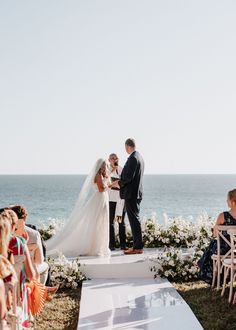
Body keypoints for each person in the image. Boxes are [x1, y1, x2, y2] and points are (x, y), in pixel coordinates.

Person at [46, 159, 117, 257]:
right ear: (100, 166)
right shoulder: (98, 175)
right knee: (97, 222)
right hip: (99, 199)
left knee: (102, 222)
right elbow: (101, 189)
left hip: (103, 199)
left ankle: (100, 246)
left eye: (106, 165)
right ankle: (94, 247)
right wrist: (113, 184)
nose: (106, 166)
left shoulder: (103, 175)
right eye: (104, 165)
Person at [198, 189, 236, 284]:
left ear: (232, 201)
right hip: (235, 251)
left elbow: (215, 234)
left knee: (212, 246)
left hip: (224, 250)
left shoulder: (223, 216)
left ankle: (212, 277)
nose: (226, 201)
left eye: (227, 199)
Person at [115, 138, 144, 255]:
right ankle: (137, 246)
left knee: (134, 220)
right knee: (134, 219)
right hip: (136, 193)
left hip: (131, 194)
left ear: (127, 146)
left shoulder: (133, 158)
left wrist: (118, 183)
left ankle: (137, 247)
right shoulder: (139, 156)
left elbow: (128, 177)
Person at [108, 153, 126, 251]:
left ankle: (123, 244)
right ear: (109, 160)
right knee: (111, 223)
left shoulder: (122, 169)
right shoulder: (107, 170)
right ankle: (112, 244)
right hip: (111, 200)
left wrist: (117, 185)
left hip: (120, 200)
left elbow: (124, 183)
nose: (115, 160)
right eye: (112, 158)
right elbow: (108, 183)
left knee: (121, 222)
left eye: (116, 158)